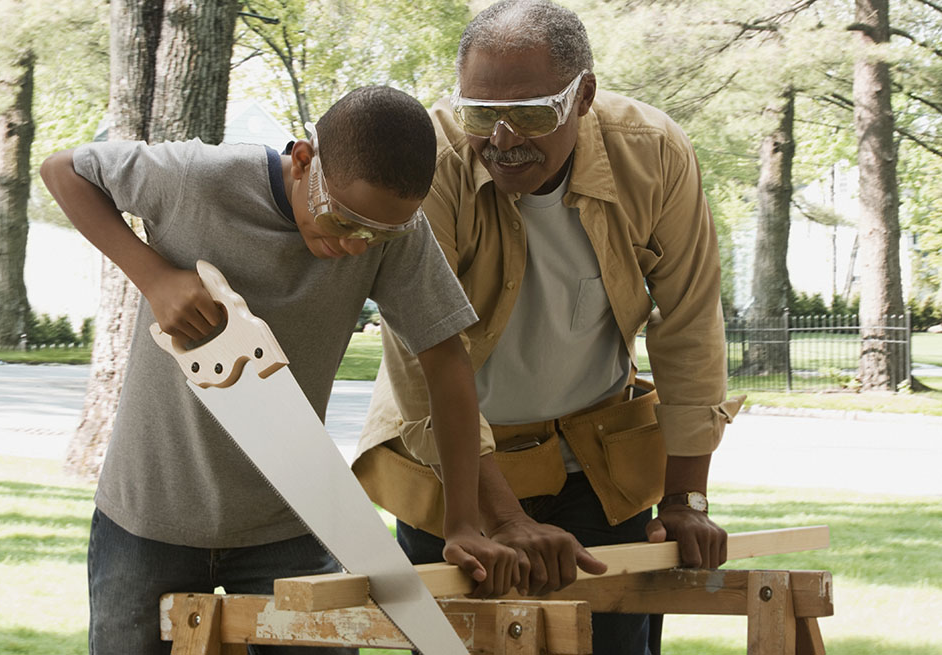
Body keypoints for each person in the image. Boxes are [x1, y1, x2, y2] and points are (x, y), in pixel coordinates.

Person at [40, 85, 521, 655]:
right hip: (148, 519)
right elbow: (63, 170)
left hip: (293, 523)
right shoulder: (197, 177)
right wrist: (152, 275)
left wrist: (464, 521)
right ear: (303, 161)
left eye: (379, 234)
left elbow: (447, 365)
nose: (356, 245)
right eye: (344, 220)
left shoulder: (397, 232)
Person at [352, 3, 746, 654]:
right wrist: (500, 516)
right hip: (456, 477)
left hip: (599, 473)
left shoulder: (653, 152)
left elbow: (690, 327)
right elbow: (424, 358)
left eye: (532, 113)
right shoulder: (430, 161)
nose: (504, 138)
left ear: (584, 94)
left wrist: (686, 498)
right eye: (480, 115)